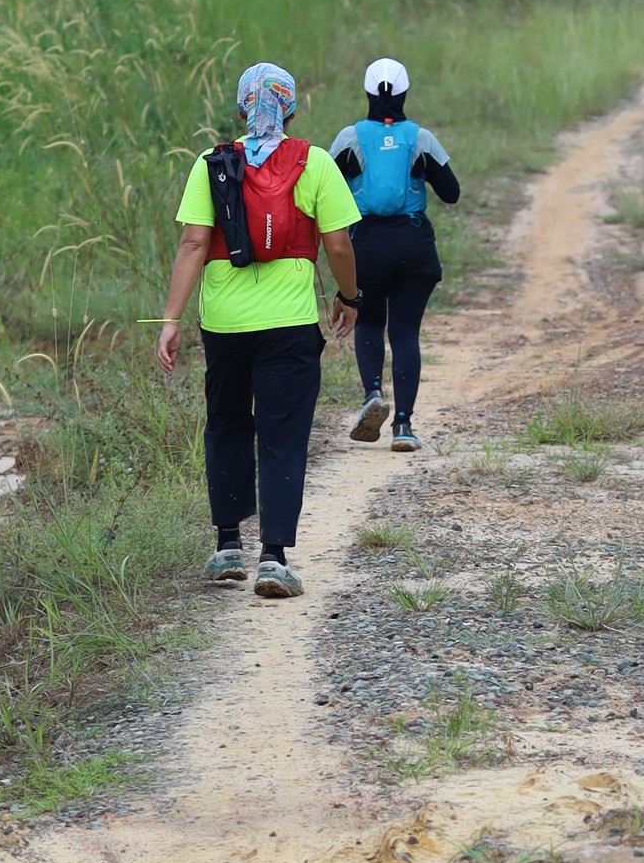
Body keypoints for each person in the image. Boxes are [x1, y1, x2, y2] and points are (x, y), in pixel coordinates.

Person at [156, 61, 360, 600]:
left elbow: (193, 244)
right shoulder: (315, 162)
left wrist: (172, 320)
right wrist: (349, 297)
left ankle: (227, 546)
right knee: (282, 434)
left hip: (224, 325)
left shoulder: (213, 164)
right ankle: (273, 558)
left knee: (226, 423)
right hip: (289, 326)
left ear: (242, 106)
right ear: (290, 108)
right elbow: (339, 245)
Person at [330, 55, 460, 454]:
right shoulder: (421, 138)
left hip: (365, 245)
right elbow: (451, 193)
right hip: (413, 245)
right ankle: (403, 425)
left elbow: (325, 189)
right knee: (405, 334)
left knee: (369, 322)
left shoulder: (349, 138)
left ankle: (372, 394)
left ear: (368, 93)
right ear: (405, 93)